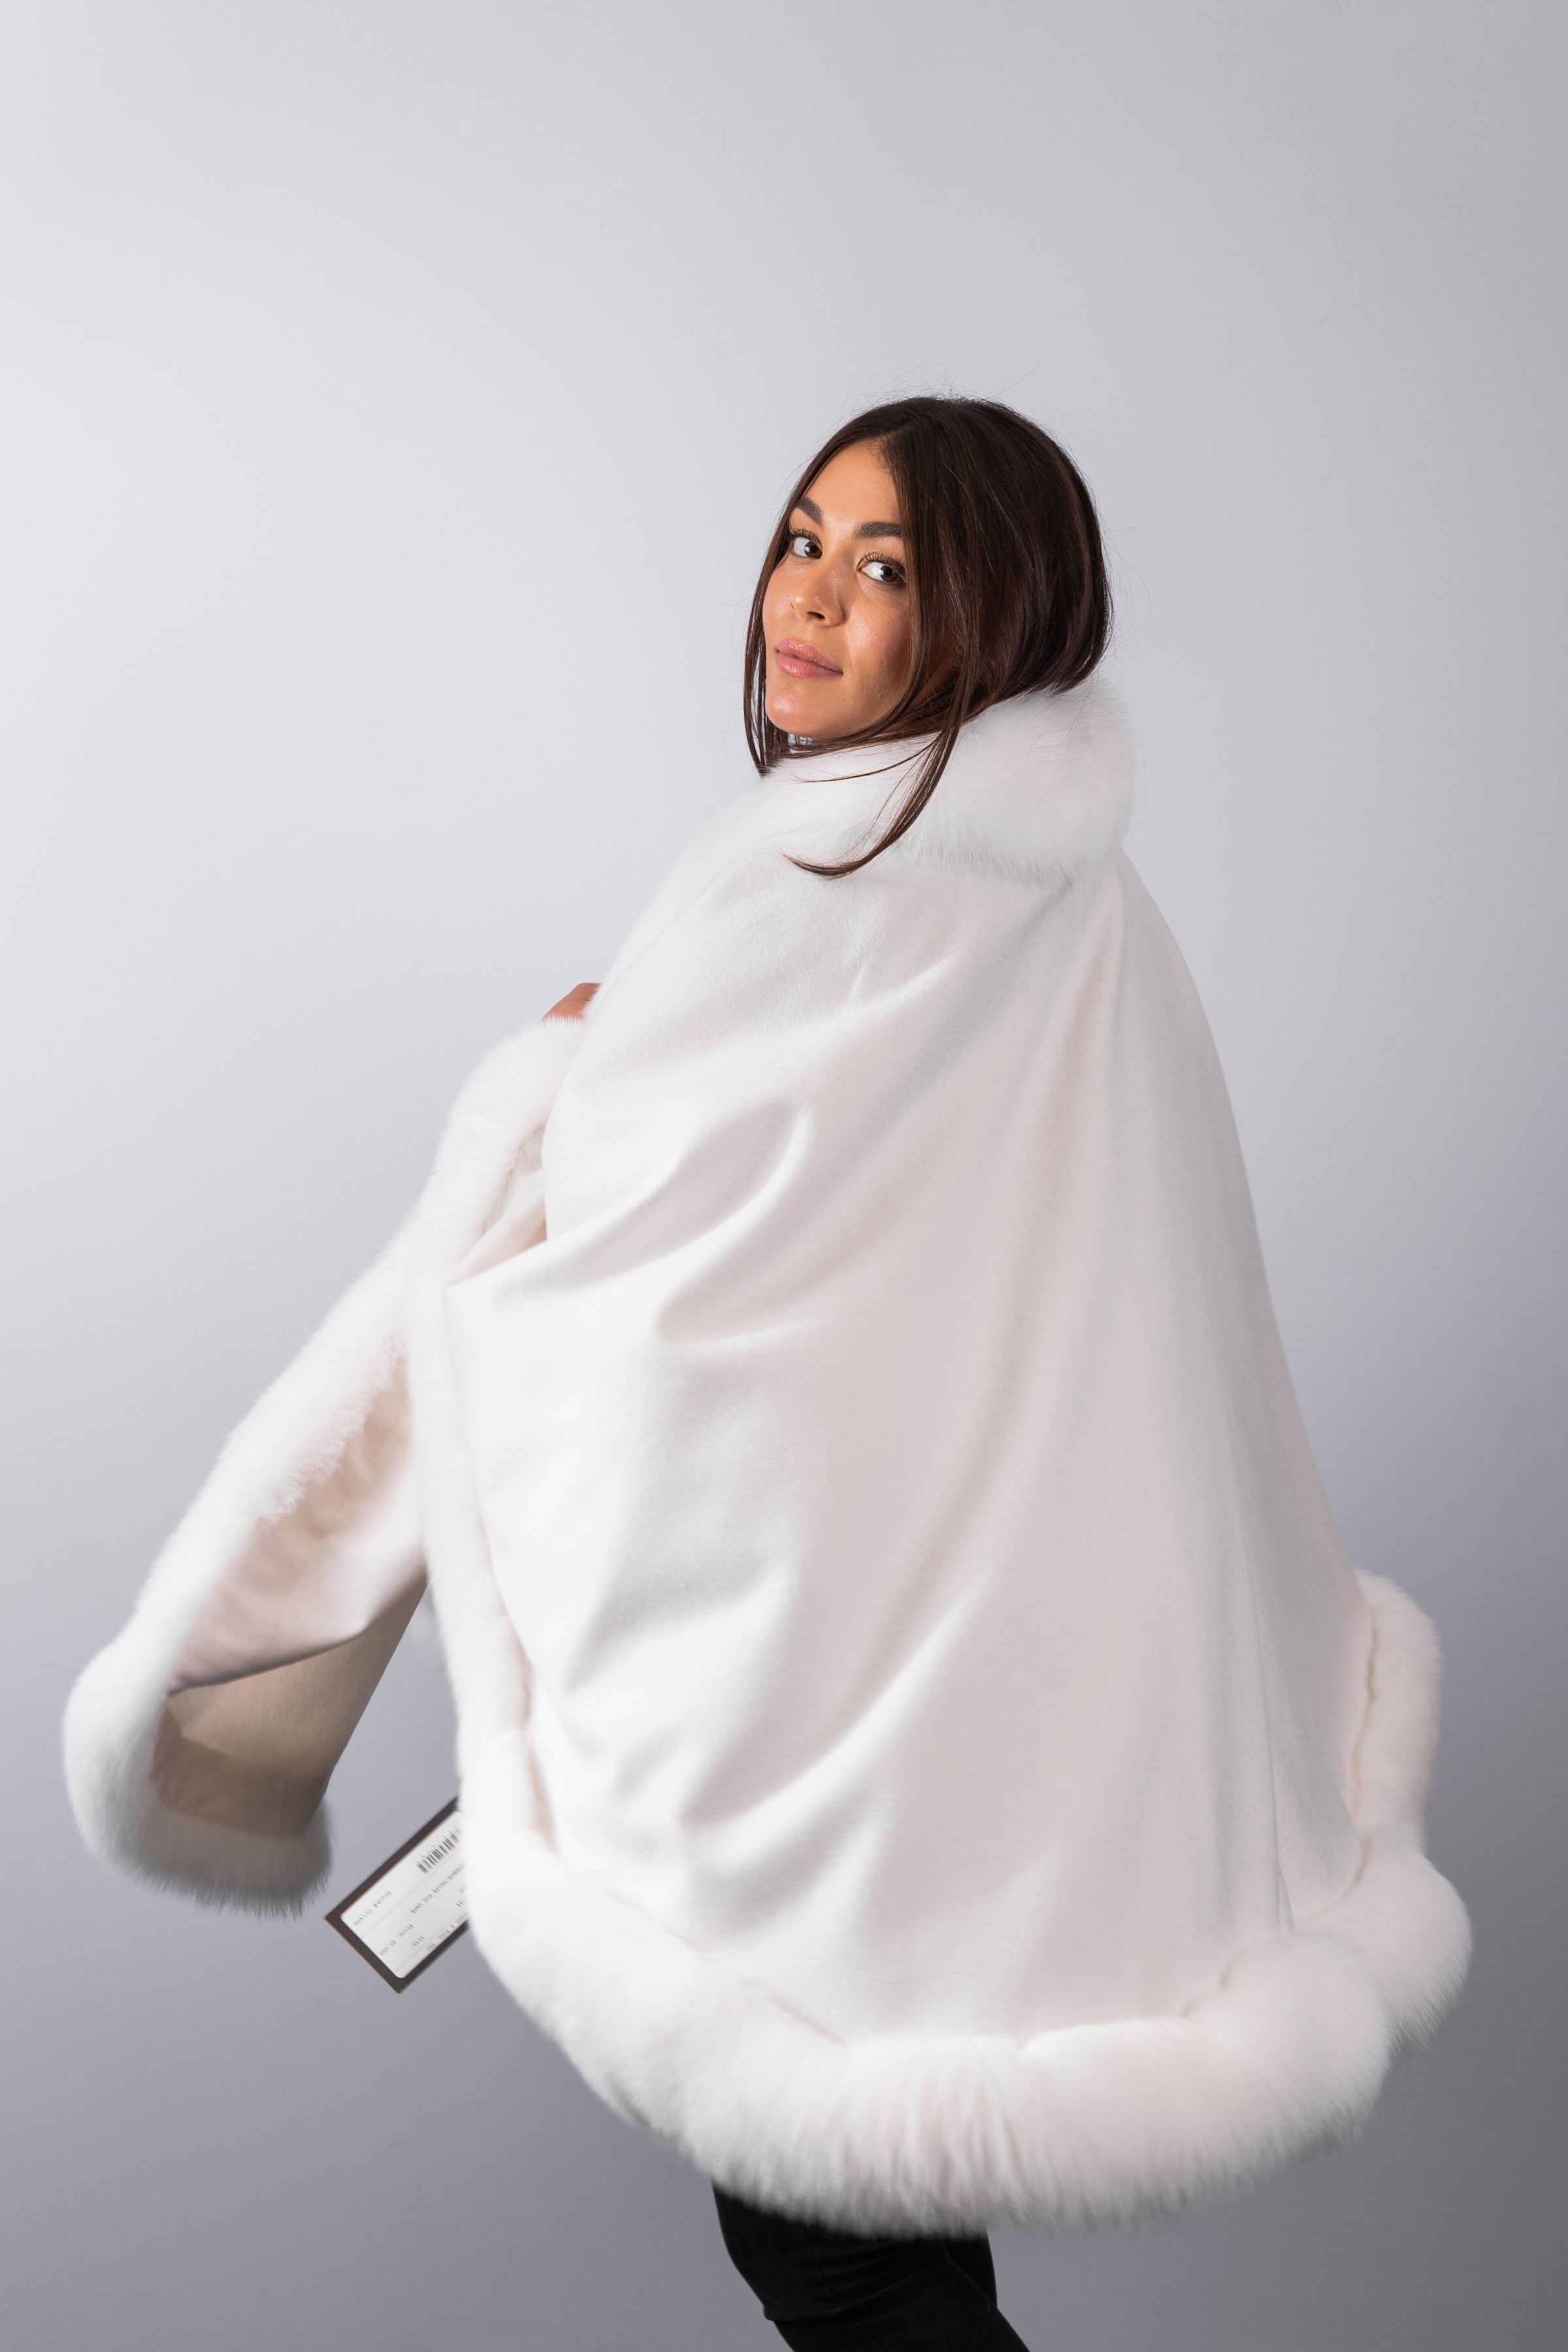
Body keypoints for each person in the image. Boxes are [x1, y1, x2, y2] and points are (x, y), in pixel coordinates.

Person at [65, 398, 1468, 2351]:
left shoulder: (810, 875)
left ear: (995, 611)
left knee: (843, 2245)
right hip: (1006, 1695)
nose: (807, 598)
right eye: (803, 539)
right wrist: (627, 1063)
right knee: (886, 2225)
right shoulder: (1078, 898)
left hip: (829, 1716)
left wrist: (556, 1089)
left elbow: (649, 1291)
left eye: (884, 570)